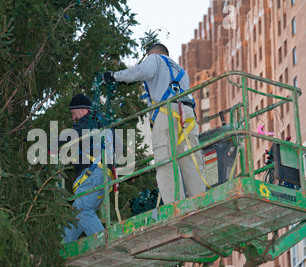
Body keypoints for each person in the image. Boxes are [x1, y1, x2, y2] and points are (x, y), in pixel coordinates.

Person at [102, 43, 206, 204]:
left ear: (154, 53)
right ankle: (201, 201)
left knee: (165, 159)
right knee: (191, 159)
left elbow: (140, 71)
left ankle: (174, 205)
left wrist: (115, 76)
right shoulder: (182, 71)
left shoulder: (155, 59)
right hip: (188, 116)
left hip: (166, 113)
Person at [60, 94, 113, 244]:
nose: (73, 118)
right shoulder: (101, 123)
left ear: (82, 110)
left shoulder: (89, 121)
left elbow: (72, 135)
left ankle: (104, 244)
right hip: (101, 174)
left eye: (74, 113)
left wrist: (52, 146)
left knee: (82, 209)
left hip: (94, 173)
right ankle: (61, 251)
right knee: (75, 214)